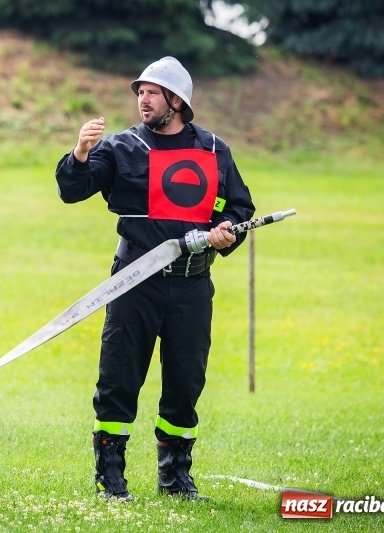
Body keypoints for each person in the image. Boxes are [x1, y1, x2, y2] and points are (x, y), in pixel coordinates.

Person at [55, 57, 255, 501]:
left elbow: (239, 208)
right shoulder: (121, 147)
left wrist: (227, 231)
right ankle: (111, 478)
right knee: (119, 379)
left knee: (186, 383)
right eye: (140, 92)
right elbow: (72, 190)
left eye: (152, 93)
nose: (143, 100)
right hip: (134, 283)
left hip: (192, 286)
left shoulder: (214, 149)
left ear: (176, 101)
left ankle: (175, 478)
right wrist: (81, 153)